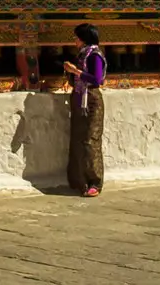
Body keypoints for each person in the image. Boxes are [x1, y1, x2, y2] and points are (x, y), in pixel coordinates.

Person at [62, 21, 105, 196]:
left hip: (91, 100)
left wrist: (76, 72)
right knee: (78, 138)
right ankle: (79, 181)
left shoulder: (94, 55)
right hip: (79, 98)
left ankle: (94, 182)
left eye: (77, 37)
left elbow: (97, 80)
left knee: (90, 140)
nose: (75, 40)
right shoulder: (81, 55)